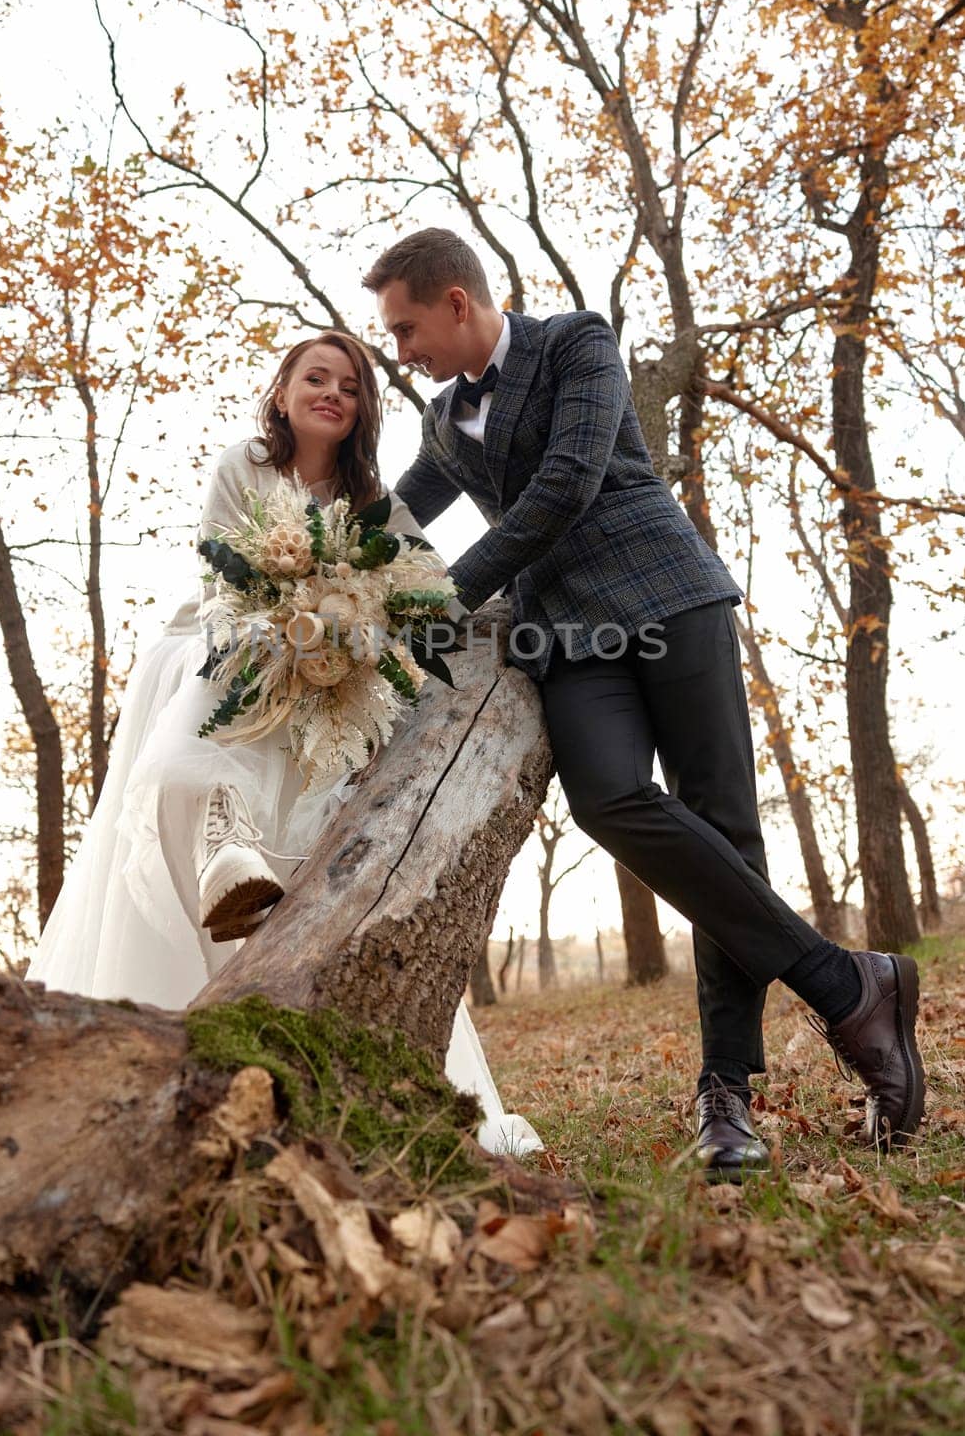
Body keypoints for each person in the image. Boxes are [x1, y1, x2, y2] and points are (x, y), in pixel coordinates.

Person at [363, 227, 924, 1180]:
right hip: (565, 636)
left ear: (456, 301)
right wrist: (316, 555)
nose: (401, 350)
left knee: (722, 825)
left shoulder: (575, 343)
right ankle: (846, 983)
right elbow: (392, 516)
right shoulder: (436, 422)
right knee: (608, 798)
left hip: (667, 594)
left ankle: (724, 1097)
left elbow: (566, 484)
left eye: (406, 327)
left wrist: (447, 596)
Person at [26, 328, 543, 1159]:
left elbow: (424, 580)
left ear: (361, 409)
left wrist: (369, 633)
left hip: (330, 677)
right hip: (228, 646)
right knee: (199, 726)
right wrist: (285, 630)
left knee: (311, 805)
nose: (331, 392)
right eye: (315, 377)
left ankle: (299, 1006)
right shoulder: (244, 464)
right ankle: (223, 839)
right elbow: (221, 575)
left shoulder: (370, 496)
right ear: (283, 391)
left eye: (348, 384)